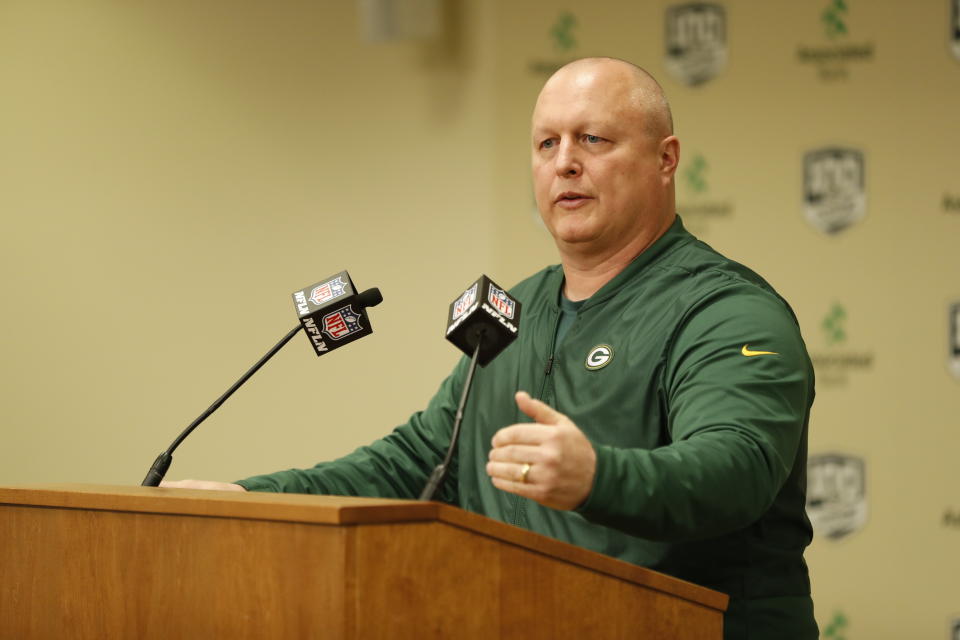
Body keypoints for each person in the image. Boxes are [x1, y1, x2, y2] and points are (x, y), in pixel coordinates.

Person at [164, 57, 818, 639]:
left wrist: (597, 478)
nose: (564, 161)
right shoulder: (518, 310)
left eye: (593, 138)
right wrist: (250, 497)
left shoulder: (726, 311)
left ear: (666, 159)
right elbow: (424, 464)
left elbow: (738, 468)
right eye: (546, 143)